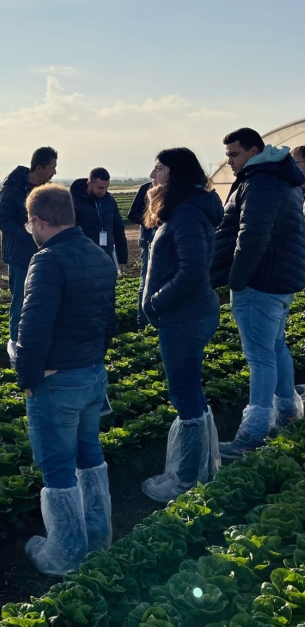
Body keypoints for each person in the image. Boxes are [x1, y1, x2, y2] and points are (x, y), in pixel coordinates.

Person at [16, 184, 116, 576]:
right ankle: (97, 536)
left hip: (58, 381)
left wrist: (27, 377)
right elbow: (109, 321)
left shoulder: (48, 261)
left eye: (30, 225)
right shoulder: (98, 255)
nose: (32, 232)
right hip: (93, 374)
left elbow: (33, 327)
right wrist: (93, 358)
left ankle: (65, 555)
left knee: (57, 465)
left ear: (39, 221)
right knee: (89, 455)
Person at [212, 128, 305, 459]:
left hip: (261, 281)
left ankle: (252, 435)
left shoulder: (262, 181)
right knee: (276, 347)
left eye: (234, 155)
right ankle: (288, 412)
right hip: (279, 279)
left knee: (260, 355)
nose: (230, 162)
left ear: (254, 150)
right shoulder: (281, 176)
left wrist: (235, 280)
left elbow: (251, 237)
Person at [141, 148, 223, 502]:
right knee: (190, 393)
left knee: (185, 395)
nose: (153, 173)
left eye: (159, 167)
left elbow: (191, 272)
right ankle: (201, 468)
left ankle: (186, 480)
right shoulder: (185, 209)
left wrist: (156, 302)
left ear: (174, 172)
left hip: (184, 317)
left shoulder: (187, 214)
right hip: (188, 314)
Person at [0, 147, 58, 366]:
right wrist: (29, 234)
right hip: (21, 257)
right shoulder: (13, 189)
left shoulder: (48, 190)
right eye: (51, 167)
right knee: (20, 305)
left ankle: (41, 351)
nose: (54, 173)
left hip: (46, 256)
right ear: (39, 167)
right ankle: (18, 357)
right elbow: (4, 221)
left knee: (44, 303)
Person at [70, 167, 128, 272]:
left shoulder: (109, 201)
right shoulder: (75, 202)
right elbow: (71, 232)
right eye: (100, 188)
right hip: (84, 257)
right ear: (89, 184)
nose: (103, 192)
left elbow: (118, 228)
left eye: (106, 188)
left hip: (107, 254)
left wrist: (122, 258)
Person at [127, 181, 154, 329]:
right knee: (146, 281)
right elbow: (133, 214)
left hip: (170, 242)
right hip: (149, 240)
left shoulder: (177, 188)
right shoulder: (146, 188)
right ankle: (143, 322)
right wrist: (151, 220)